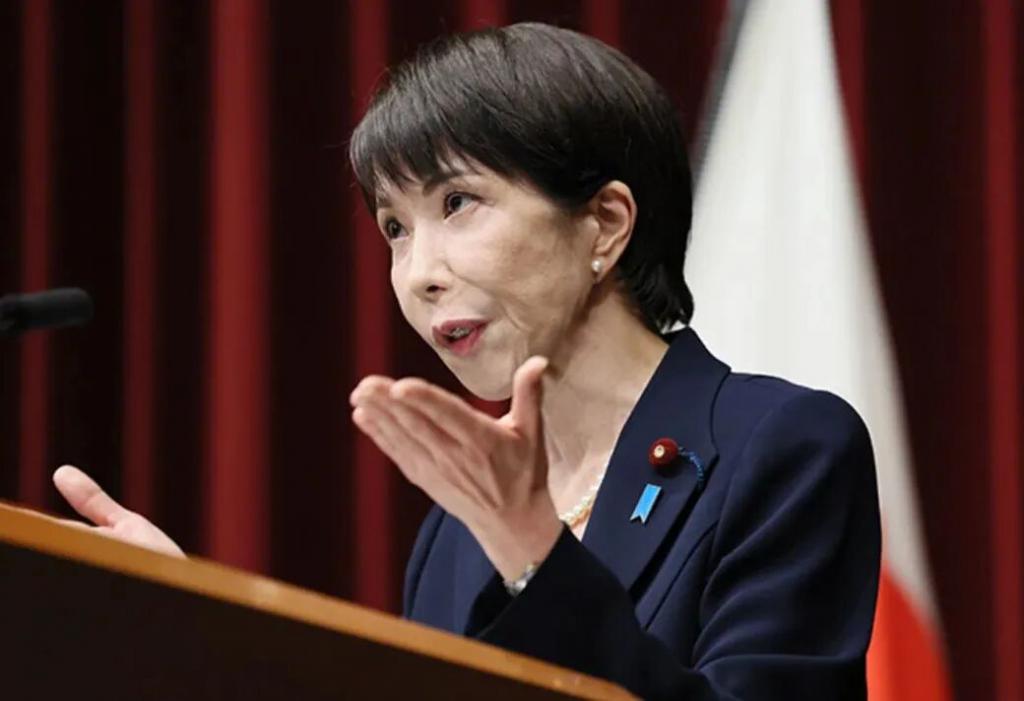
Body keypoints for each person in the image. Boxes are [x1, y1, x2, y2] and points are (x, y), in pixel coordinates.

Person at [54, 22, 881, 700]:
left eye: (458, 202)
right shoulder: (454, 532)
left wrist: (536, 556)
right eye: (394, 228)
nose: (418, 273)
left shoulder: (782, 447)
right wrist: (206, 636)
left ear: (604, 223)